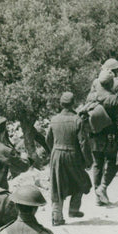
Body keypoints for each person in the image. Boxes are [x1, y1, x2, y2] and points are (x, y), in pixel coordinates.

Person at [45, 92, 93, 226]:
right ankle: (73, 208)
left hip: (57, 154)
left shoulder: (54, 119)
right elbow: (83, 143)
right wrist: (88, 160)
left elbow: (48, 139)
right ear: (73, 104)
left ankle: (57, 216)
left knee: (57, 185)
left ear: (61, 104)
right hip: (73, 155)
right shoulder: (77, 120)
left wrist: (54, 151)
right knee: (82, 181)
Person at [87, 70, 118, 206]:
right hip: (110, 135)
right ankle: (102, 187)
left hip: (93, 135)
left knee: (97, 164)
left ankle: (98, 197)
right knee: (113, 161)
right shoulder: (113, 99)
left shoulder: (92, 96)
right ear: (110, 84)